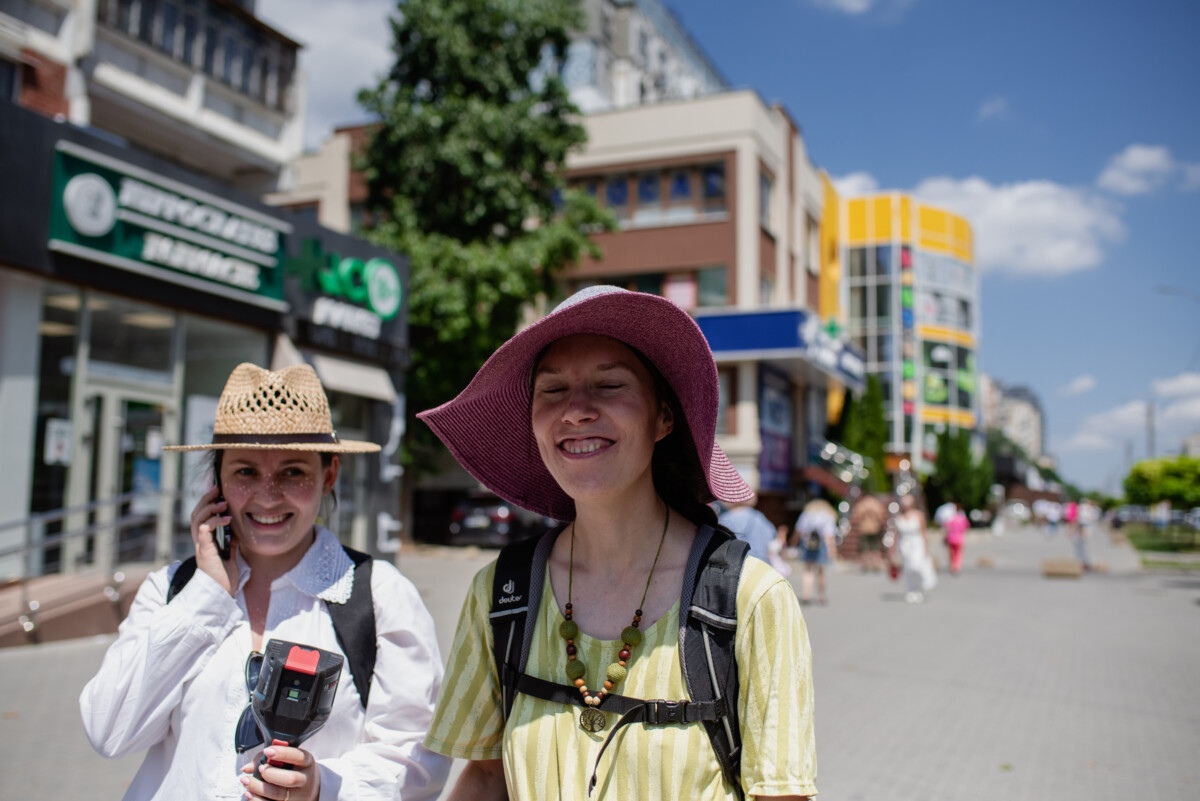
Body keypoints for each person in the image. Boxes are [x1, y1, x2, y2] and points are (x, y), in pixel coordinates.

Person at [417, 286, 817, 800]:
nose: (576, 411)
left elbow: (780, 794)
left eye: (609, 385)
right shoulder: (501, 593)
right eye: (552, 390)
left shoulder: (750, 600)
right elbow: (488, 775)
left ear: (663, 418)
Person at [80, 363, 449, 801]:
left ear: (329, 475)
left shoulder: (378, 595)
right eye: (245, 472)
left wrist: (322, 787)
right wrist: (207, 596)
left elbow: (418, 761)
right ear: (215, 480)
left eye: (293, 472)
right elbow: (110, 732)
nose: (268, 495)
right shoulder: (171, 590)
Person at [893, 493, 936, 603]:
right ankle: (911, 590)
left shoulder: (919, 515)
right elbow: (896, 535)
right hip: (904, 545)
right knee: (907, 569)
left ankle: (919, 588)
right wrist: (893, 551)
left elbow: (923, 532)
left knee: (916, 566)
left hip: (917, 544)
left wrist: (926, 548)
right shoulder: (899, 517)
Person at [794, 498, 838, 605]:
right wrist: (832, 549)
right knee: (821, 571)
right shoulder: (827, 516)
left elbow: (799, 530)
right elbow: (829, 535)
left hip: (808, 544)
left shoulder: (807, 514)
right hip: (822, 545)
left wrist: (794, 542)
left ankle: (806, 594)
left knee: (808, 570)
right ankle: (821, 595)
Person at [717, 498, 776, 563]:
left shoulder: (725, 519)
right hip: (761, 566)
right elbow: (772, 537)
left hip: (737, 567)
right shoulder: (761, 518)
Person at [848, 493, 889, 572]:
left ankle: (866, 564)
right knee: (875, 547)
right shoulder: (876, 504)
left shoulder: (861, 505)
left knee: (864, 548)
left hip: (864, 528)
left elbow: (855, 517)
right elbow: (882, 516)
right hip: (875, 528)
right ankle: (876, 564)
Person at [943, 503, 969, 575]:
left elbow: (946, 527)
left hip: (950, 538)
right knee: (958, 554)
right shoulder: (962, 519)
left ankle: (952, 565)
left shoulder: (950, 518)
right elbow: (966, 527)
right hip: (959, 539)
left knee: (951, 553)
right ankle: (956, 566)